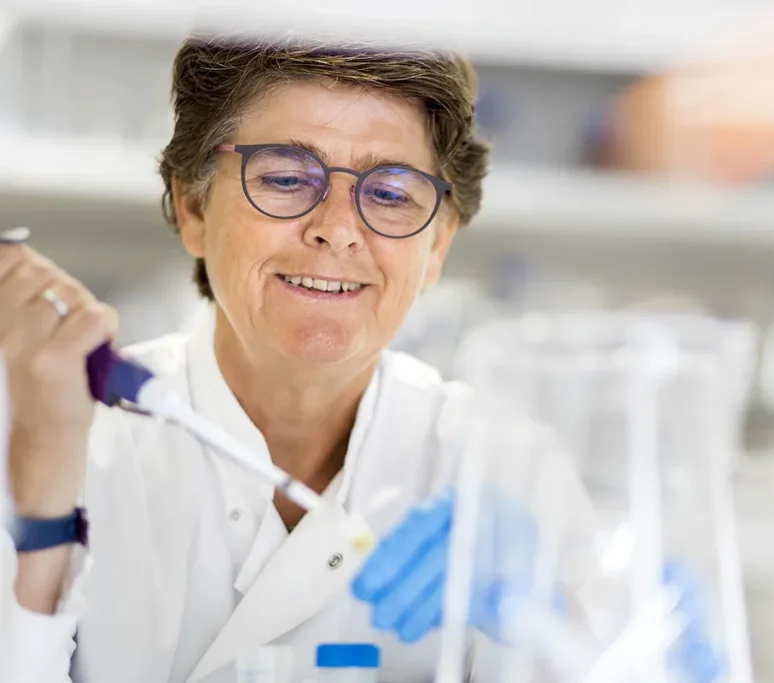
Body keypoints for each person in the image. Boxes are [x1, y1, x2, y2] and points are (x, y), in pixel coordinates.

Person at [0, 36, 718, 683]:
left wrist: (551, 631)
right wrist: (41, 522)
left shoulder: (503, 466)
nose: (338, 230)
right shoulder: (59, 435)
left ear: (437, 246)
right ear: (191, 206)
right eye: (285, 178)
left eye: (391, 193)